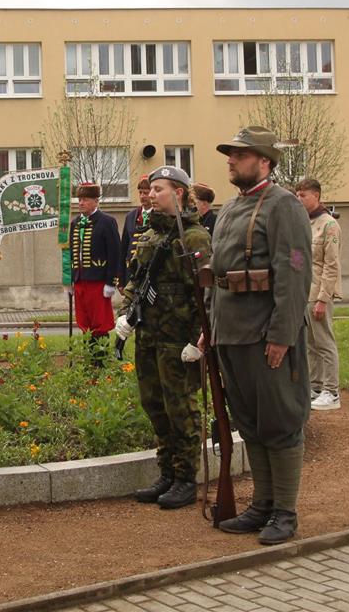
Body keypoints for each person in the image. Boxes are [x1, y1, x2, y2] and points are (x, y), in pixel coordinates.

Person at [204, 126, 312, 545]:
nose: (231, 160)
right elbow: (218, 275)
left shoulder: (284, 206)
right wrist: (209, 329)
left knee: (280, 421)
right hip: (231, 334)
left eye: (240, 154)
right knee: (249, 422)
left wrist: (282, 335)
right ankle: (262, 506)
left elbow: (295, 271)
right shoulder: (231, 208)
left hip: (266, 335)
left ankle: (285, 512)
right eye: (230, 154)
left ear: (265, 161)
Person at [114, 165, 211, 510]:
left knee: (180, 408)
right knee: (154, 406)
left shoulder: (194, 237)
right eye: (151, 190)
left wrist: (198, 340)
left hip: (177, 340)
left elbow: (205, 294)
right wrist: (125, 314)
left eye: (159, 189)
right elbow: (136, 279)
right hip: (149, 336)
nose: (151, 195)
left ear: (178, 193)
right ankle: (167, 472)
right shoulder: (151, 235)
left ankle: (186, 478)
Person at [295, 178, 342, 411]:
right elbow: (298, 256)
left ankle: (331, 391)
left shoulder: (329, 225)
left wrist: (323, 298)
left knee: (324, 342)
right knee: (311, 344)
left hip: (318, 292)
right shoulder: (304, 223)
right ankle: (315, 387)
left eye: (303, 195)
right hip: (304, 291)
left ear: (316, 195)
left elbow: (331, 265)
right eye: (297, 195)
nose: (299, 199)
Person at [68, 181, 122, 366]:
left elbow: (115, 253)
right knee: (84, 322)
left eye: (85, 199)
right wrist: (71, 279)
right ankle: (89, 361)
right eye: (79, 199)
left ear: (95, 201)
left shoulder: (107, 222)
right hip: (80, 280)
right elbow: (71, 254)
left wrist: (111, 282)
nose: (81, 203)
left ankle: (100, 362)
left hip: (98, 281)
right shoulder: (75, 223)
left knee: (100, 323)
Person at [120, 175, 153, 287]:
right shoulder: (131, 216)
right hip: (131, 272)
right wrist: (121, 279)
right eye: (140, 193)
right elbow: (124, 248)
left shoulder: (159, 215)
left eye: (146, 193)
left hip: (149, 272)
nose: (142, 196)